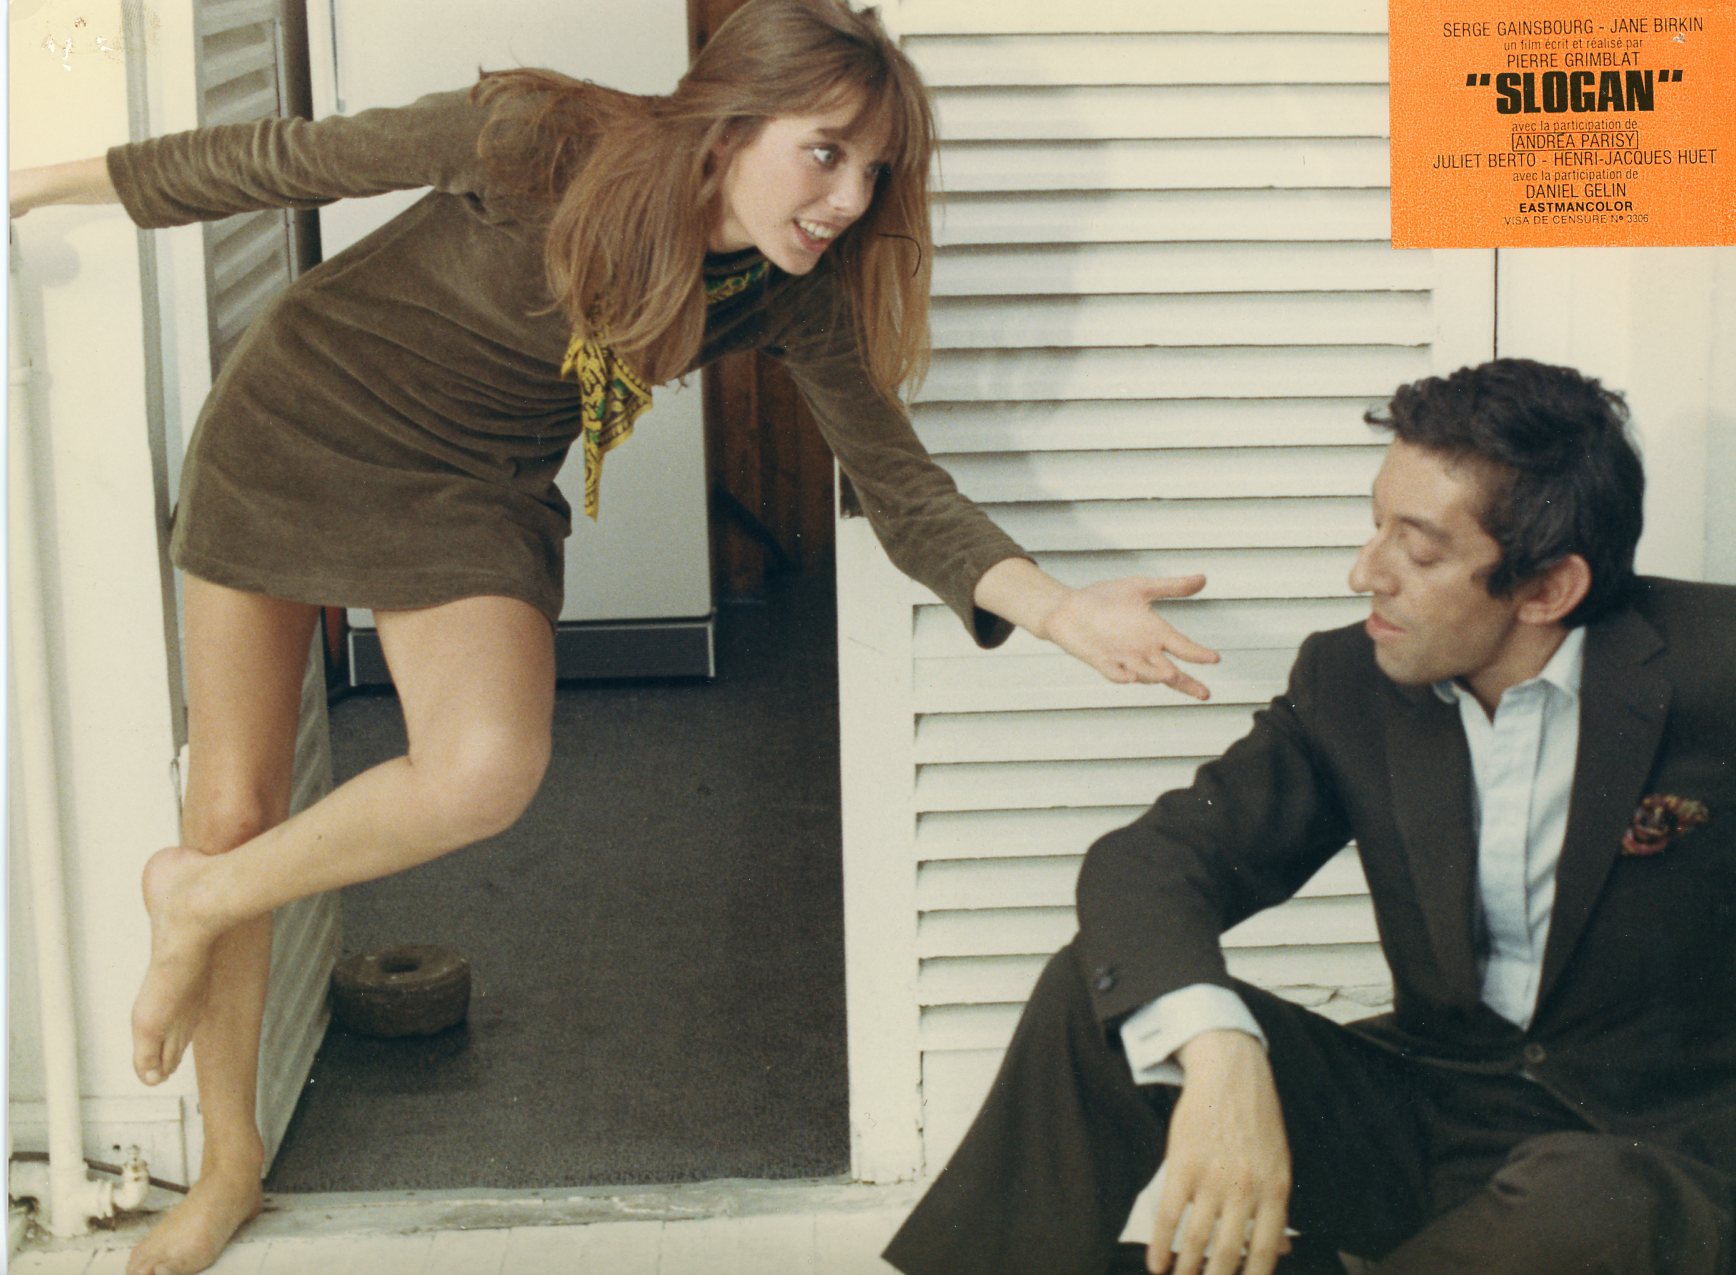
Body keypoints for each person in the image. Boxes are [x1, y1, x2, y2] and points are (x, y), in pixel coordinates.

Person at [10, 2, 1220, 1272]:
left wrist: (1056, 607)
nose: (849, 200)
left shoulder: (787, 292)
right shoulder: (538, 138)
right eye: (824, 153)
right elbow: (278, 160)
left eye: (875, 172)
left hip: (471, 488)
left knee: (482, 769)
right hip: (298, 421)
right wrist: (29, 184)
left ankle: (194, 899)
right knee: (232, 805)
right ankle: (229, 1163)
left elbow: (901, 487)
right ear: (728, 125)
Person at [883, 358, 1736, 1275]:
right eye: (1376, 526)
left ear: (1547, 590)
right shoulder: (1350, 680)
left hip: (1655, 1159)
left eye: (1418, 551)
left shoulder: (1716, 666)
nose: (1364, 572)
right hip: (1431, 1116)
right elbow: (1153, 862)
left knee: (1591, 1201)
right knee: (1098, 994)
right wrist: (1221, 1050)